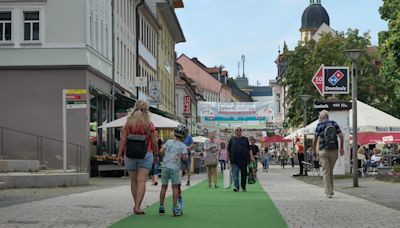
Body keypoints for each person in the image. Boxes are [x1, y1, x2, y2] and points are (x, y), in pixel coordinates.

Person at [116, 100, 158, 214]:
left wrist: (119, 155)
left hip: (129, 155)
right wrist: (157, 154)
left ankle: (136, 204)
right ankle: (138, 206)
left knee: (134, 181)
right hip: (146, 153)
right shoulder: (149, 124)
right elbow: (154, 142)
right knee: (142, 181)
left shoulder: (129, 123)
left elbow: (123, 140)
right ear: (147, 110)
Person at [312, 110, 344, 198]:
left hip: (323, 151)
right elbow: (341, 135)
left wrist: (314, 151)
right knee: (330, 171)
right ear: (327, 116)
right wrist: (341, 148)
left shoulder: (319, 125)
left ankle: (328, 192)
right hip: (334, 150)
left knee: (326, 171)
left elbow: (314, 139)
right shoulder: (334, 123)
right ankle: (331, 190)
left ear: (321, 117)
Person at [158, 124, 188, 216]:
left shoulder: (168, 142)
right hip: (175, 168)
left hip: (165, 166)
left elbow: (161, 152)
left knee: (164, 187)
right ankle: (175, 208)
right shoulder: (183, 146)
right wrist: (186, 154)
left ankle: (161, 206)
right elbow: (184, 158)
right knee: (175, 187)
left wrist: (166, 156)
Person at [227, 126, 255, 192]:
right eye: (237, 130)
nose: (238, 131)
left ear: (242, 131)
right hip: (234, 160)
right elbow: (228, 150)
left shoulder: (245, 139)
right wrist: (227, 159)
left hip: (244, 160)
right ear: (235, 131)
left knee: (244, 174)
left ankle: (243, 187)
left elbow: (249, 149)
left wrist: (251, 157)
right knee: (235, 174)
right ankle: (236, 187)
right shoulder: (232, 139)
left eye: (240, 130)